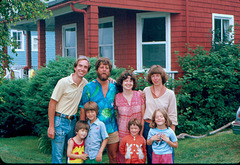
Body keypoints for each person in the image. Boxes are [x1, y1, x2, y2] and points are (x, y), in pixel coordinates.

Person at [47, 56, 91, 163]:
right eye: (80, 66)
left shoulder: (85, 83)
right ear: (75, 67)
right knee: (57, 156)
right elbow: (52, 103)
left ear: (87, 70)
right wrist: (51, 126)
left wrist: (109, 79)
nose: (82, 69)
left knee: (72, 155)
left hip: (73, 123)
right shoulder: (63, 82)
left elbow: (97, 84)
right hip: (59, 121)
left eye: (85, 67)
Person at [79, 57, 119, 163]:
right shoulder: (89, 87)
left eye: (106, 68)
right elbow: (83, 108)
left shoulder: (114, 86)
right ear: (97, 70)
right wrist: (83, 128)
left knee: (114, 157)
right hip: (93, 128)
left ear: (110, 71)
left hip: (111, 128)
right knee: (91, 157)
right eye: (101, 67)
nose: (104, 70)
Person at [143, 65, 178, 164]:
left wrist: (171, 132)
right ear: (150, 78)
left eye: (158, 75)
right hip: (148, 127)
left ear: (162, 77)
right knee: (151, 156)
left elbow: (173, 115)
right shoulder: (146, 91)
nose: (155, 78)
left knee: (167, 155)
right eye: (153, 76)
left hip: (164, 127)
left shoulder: (170, 94)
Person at [115, 70, 145, 163]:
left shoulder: (140, 95)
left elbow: (143, 116)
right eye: (126, 81)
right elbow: (117, 117)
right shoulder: (117, 97)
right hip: (122, 133)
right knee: (124, 156)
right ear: (122, 83)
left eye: (131, 81)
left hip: (137, 132)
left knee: (138, 157)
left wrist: (141, 133)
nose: (128, 83)